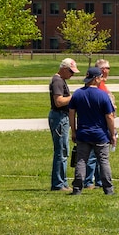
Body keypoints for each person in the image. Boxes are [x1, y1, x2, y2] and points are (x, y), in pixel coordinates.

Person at [68, 66, 117, 195]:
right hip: (100, 134)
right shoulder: (103, 95)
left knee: (81, 160)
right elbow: (109, 116)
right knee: (103, 161)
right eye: (100, 77)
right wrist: (112, 134)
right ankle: (108, 189)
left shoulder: (78, 93)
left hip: (83, 133)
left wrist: (73, 131)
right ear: (95, 79)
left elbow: (71, 113)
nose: (101, 79)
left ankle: (77, 188)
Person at [48, 57, 77, 191]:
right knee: (60, 151)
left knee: (64, 150)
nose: (72, 74)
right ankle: (58, 184)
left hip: (62, 117)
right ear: (64, 69)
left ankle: (63, 182)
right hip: (59, 117)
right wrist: (75, 96)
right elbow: (59, 101)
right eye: (71, 72)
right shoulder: (58, 81)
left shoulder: (61, 80)